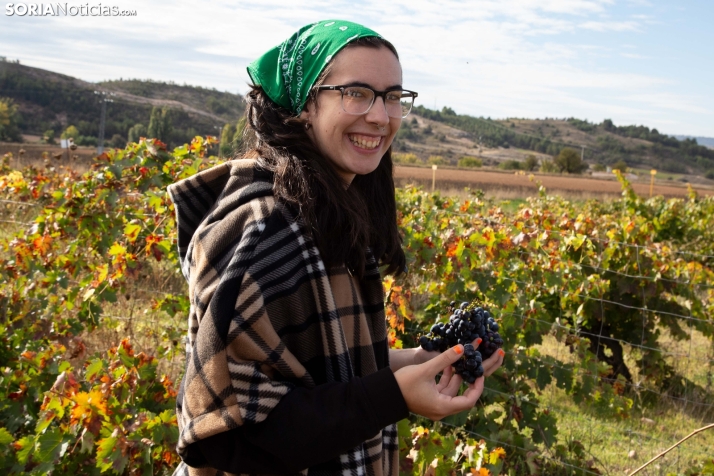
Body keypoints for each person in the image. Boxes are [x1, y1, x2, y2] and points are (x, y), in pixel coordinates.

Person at [167, 19, 504, 476]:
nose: (381, 117)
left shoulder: (328, 212)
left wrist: (418, 363)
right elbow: (231, 435)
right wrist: (394, 396)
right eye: (357, 93)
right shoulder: (264, 230)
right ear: (306, 104)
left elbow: (317, 366)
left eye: (392, 97)